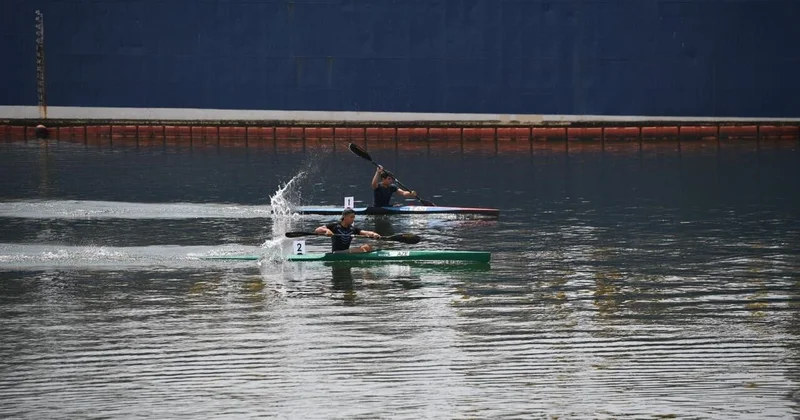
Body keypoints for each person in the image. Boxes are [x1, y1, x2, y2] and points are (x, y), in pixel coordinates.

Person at [314, 208, 381, 253]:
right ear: (345, 217)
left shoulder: (352, 229)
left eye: (354, 217)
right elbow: (317, 230)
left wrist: (373, 234)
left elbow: (365, 232)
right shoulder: (334, 226)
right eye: (351, 217)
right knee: (362, 249)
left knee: (368, 247)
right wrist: (326, 231)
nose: (353, 219)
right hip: (337, 253)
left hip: (346, 251)